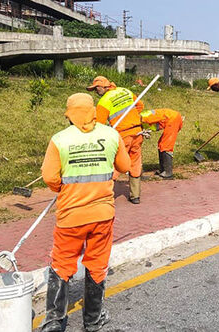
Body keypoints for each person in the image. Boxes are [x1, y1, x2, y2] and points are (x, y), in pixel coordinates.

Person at [40, 93, 131, 332]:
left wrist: (62, 189)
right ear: (92, 111)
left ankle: (54, 322)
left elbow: (49, 176)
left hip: (71, 215)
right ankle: (92, 320)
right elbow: (125, 166)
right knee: (97, 264)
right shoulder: (111, 135)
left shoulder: (60, 139)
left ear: (69, 114)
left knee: (62, 264)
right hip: (102, 214)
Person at [87, 76, 145, 204]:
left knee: (115, 164)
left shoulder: (104, 101)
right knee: (135, 161)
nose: (96, 92)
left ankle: (103, 195)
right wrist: (131, 119)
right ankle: (135, 196)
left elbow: (99, 124)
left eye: (96, 89)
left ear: (103, 87)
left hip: (122, 136)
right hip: (137, 132)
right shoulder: (125, 91)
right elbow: (140, 106)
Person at [139, 108, 183, 179]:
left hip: (173, 119)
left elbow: (152, 119)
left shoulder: (142, 118)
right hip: (172, 118)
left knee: (166, 145)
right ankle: (163, 170)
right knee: (161, 143)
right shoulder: (141, 118)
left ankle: (168, 173)